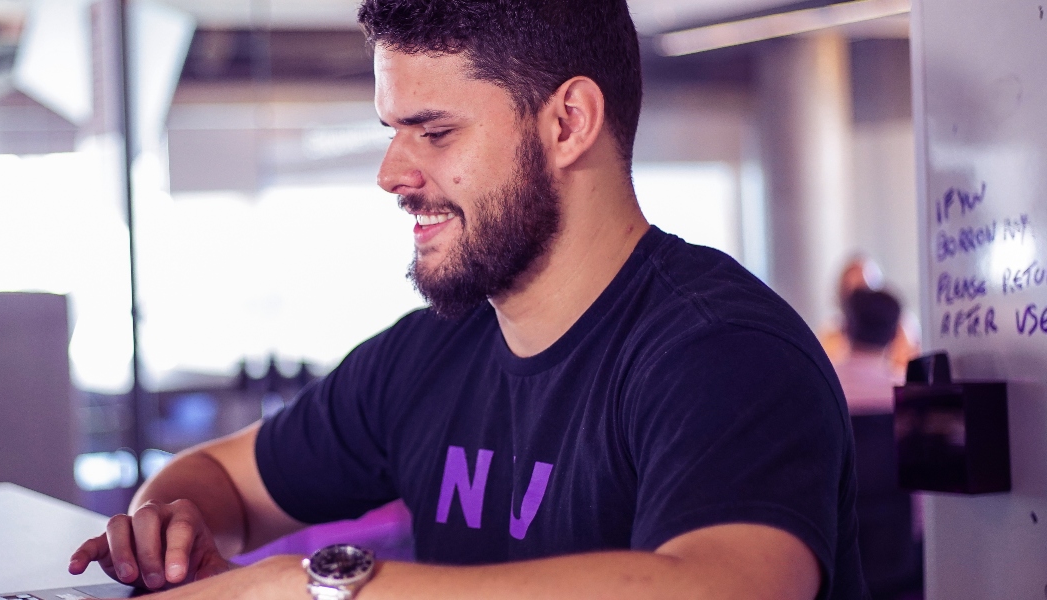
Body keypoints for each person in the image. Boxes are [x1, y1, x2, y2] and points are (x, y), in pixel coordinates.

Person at [69, 1, 866, 598]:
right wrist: (165, 526)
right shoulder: (427, 355)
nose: (391, 173)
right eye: (392, 129)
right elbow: (220, 481)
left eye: (435, 133)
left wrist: (317, 587)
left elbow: (722, 588)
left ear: (568, 123)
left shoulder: (720, 352)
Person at [835, 289, 923, 599]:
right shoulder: (908, 394)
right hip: (898, 547)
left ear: (845, 326)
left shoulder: (822, 385)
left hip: (838, 541)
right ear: (896, 332)